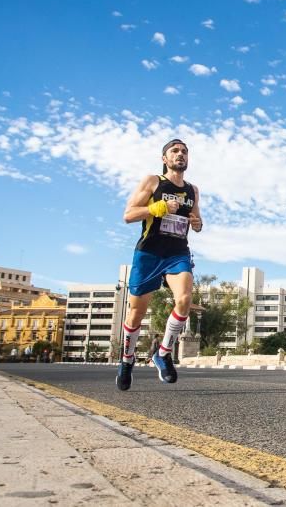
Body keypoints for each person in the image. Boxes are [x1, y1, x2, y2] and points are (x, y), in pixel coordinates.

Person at [116, 139, 202, 391]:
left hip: (177, 252)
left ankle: (163, 353)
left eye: (184, 151)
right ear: (164, 159)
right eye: (175, 151)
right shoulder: (152, 182)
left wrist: (197, 224)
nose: (180, 154)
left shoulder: (192, 190)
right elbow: (129, 214)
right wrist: (159, 207)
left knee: (185, 299)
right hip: (150, 252)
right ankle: (127, 359)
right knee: (136, 314)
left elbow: (197, 220)